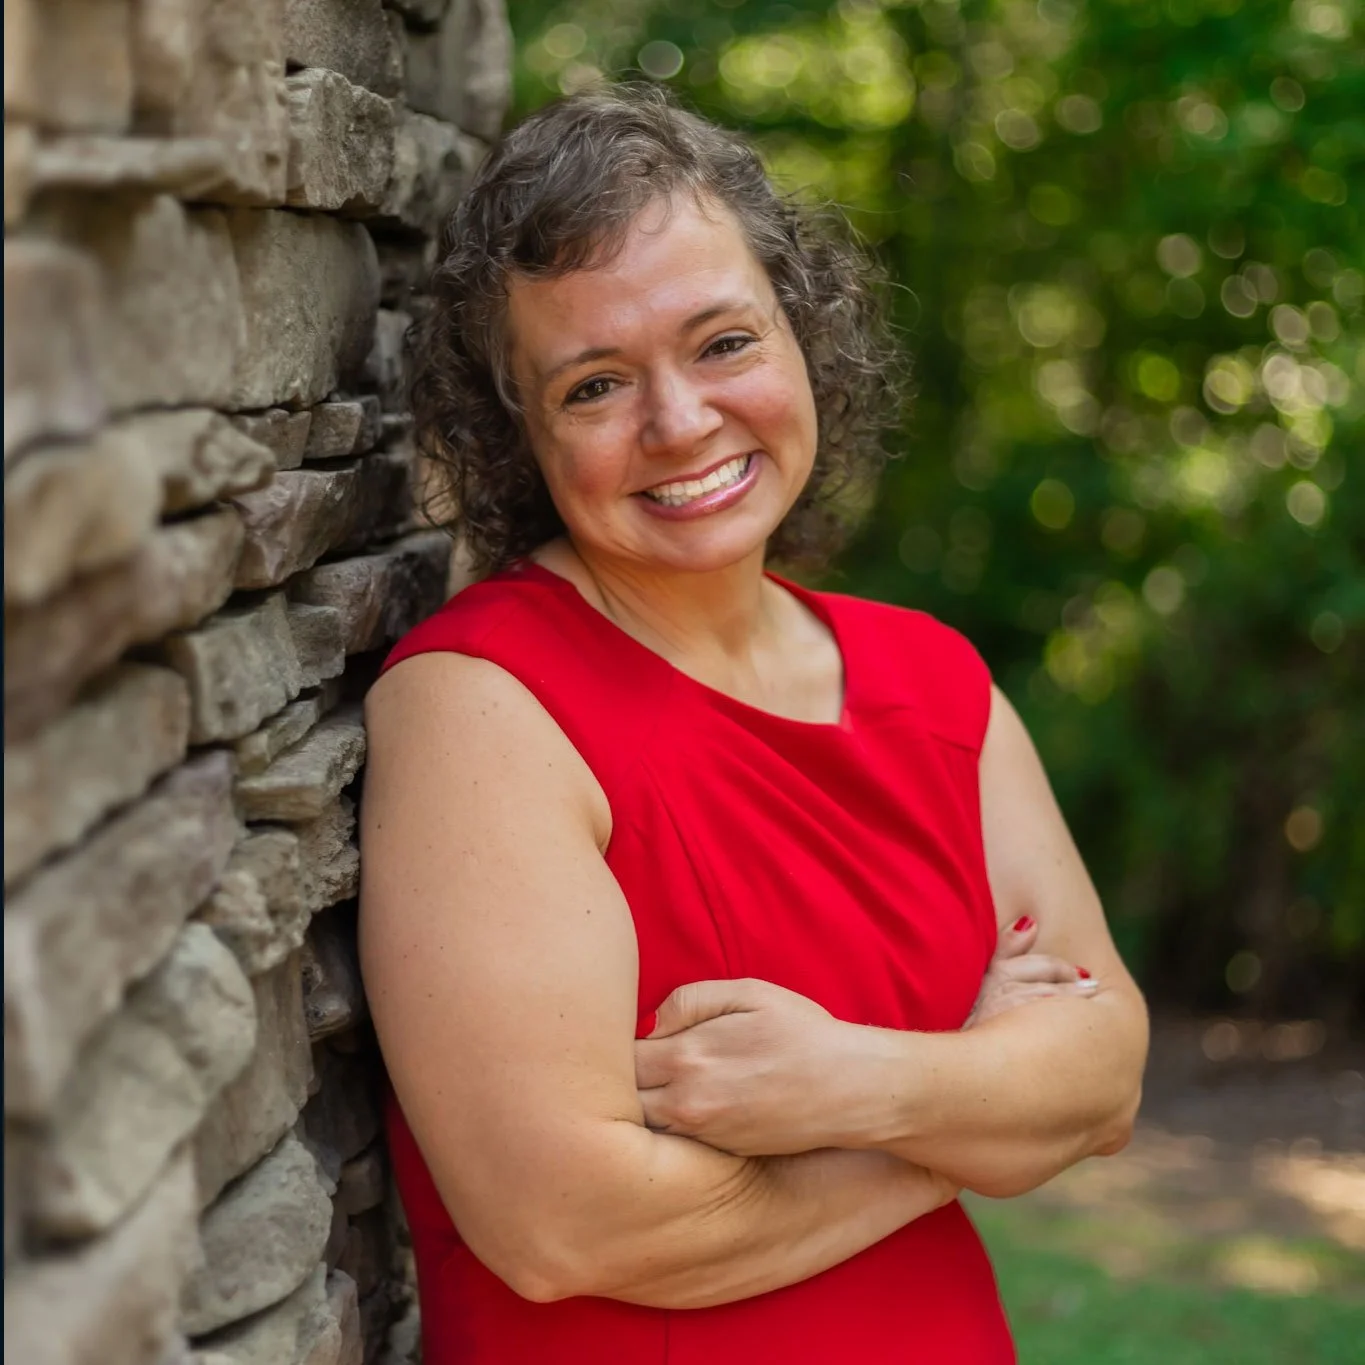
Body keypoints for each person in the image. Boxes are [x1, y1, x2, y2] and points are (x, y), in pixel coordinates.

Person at [359, 83, 1149, 1365]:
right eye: (595, 385)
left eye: (724, 343)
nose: (680, 423)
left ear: (804, 335)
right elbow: (564, 1224)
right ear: (520, 438)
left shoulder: (934, 683)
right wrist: (968, 1121)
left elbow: (1106, 1073)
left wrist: (854, 1082)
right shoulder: (480, 702)